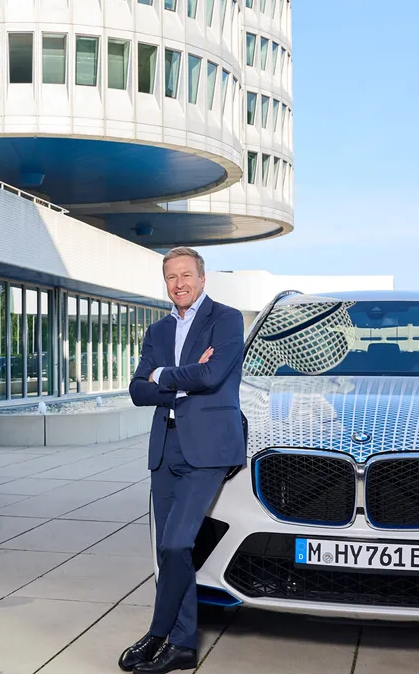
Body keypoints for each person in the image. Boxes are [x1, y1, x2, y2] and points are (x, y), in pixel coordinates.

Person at [120, 247, 245, 674]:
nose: (179, 284)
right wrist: (183, 378)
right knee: (168, 551)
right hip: (165, 447)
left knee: (178, 543)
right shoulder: (157, 331)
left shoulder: (227, 320)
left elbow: (212, 377)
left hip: (207, 449)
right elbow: (138, 390)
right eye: (171, 277)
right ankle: (183, 643)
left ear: (203, 278)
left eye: (186, 275)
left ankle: (158, 634)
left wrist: (164, 376)